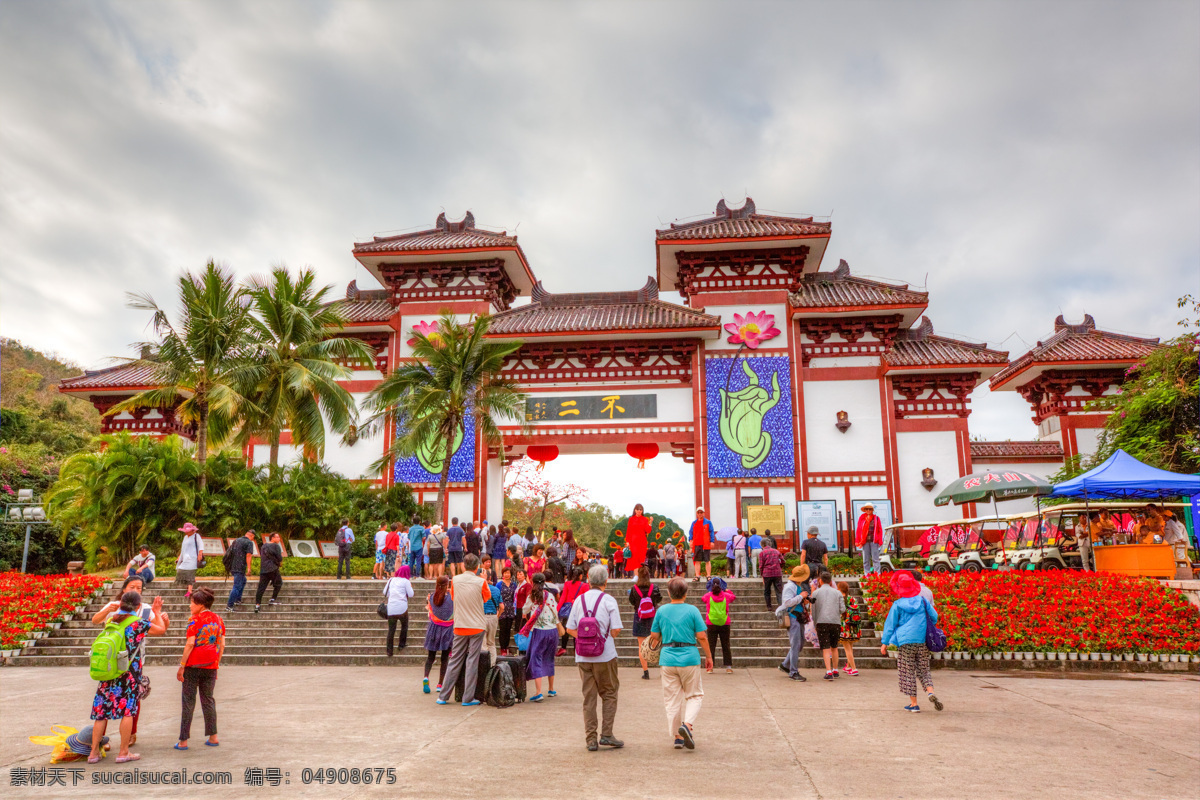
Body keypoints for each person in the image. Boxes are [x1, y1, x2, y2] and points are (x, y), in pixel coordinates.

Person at [88, 590, 167, 763]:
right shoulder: (138, 623)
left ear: (121, 603)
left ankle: (94, 753)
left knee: (101, 713)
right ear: (138, 606)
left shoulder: (111, 620)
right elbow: (161, 630)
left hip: (108, 671)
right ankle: (123, 752)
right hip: (128, 673)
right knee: (127, 712)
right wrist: (158, 612)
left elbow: (96, 620)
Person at [565, 565, 625, 751]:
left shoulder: (579, 600)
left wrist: (585, 640)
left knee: (588, 697)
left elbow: (569, 629)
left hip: (582, 656)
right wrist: (601, 639)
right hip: (605, 655)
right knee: (609, 693)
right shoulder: (609, 600)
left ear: (588, 581)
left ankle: (590, 739)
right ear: (606, 582)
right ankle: (606, 735)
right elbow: (615, 630)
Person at [648, 577, 713, 751]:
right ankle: (688, 725)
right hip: (689, 657)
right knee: (695, 695)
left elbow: (654, 635)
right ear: (686, 593)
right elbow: (702, 636)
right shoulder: (692, 610)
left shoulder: (661, 611)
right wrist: (709, 656)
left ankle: (677, 737)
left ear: (669, 593)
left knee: (672, 699)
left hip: (668, 658)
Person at [880, 571, 942, 713]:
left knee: (907, 672)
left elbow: (890, 625)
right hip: (921, 641)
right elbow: (934, 617)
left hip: (905, 642)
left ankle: (914, 704)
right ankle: (930, 692)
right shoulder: (923, 601)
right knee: (923, 669)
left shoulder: (898, 604)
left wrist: (885, 643)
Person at [436, 554, 490, 707]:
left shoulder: (455, 580)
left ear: (464, 566)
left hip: (460, 625)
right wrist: (484, 580)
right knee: (472, 660)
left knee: (455, 660)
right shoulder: (481, 582)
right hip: (477, 626)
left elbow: (453, 597)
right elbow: (487, 598)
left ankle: (443, 695)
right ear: (478, 566)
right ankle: (468, 698)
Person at [175, 586, 224, 750]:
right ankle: (213, 736)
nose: (190, 606)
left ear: (201, 605)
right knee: (208, 700)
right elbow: (221, 644)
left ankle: (183, 741)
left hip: (193, 665)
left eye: (192, 602)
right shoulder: (218, 619)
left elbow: (190, 643)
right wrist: (216, 662)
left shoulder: (194, 620)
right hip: (211, 665)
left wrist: (182, 666)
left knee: (188, 702)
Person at [521, 573, 562, 701]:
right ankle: (551, 689)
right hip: (553, 631)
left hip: (539, 631)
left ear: (533, 582)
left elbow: (524, 611)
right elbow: (555, 611)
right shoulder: (550, 595)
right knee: (549, 658)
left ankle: (538, 692)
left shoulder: (532, 596)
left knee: (536, 658)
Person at [776, 565, 811, 681]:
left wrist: (804, 601)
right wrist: (800, 596)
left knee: (800, 643)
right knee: (796, 644)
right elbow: (787, 603)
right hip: (792, 617)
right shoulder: (790, 587)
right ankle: (793, 671)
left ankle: (786, 665)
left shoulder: (797, 586)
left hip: (798, 617)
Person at [628, 566, 662, 680]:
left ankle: (646, 672)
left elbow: (631, 601)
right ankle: (662, 668)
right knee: (657, 643)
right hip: (653, 618)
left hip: (639, 617)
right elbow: (659, 598)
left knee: (641, 645)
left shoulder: (634, 588)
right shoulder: (654, 587)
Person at [810, 571, 846, 681]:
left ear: (820, 581)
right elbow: (843, 609)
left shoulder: (816, 593)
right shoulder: (837, 593)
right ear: (831, 582)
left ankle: (828, 672)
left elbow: (813, 610)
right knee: (834, 647)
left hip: (821, 621)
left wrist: (815, 622)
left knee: (825, 648)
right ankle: (835, 670)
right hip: (835, 622)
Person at [422, 576, 454, 694]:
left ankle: (426, 677)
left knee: (431, 657)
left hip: (433, 629)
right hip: (447, 630)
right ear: (447, 585)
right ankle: (440, 684)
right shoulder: (451, 598)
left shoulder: (431, 597)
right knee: (444, 658)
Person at [701, 577, 736, 673]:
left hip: (711, 623)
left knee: (711, 645)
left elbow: (703, 599)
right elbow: (733, 597)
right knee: (726, 645)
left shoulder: (708, 596)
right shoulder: (726, 595)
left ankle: (710, 668)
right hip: (725, 623)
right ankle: (728, 667)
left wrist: (709, 592)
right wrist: (727, 590)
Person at [383, 564, 415, 656]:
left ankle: (389, 651)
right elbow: (411, 594)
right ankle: (401, 644)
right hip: (402, 608)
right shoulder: (406, 581)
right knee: (404, 626)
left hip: (391, 608)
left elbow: (384, 592)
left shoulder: (391, 580)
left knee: (391, 629)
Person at [224, 530, 256, 612]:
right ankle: (229, 605)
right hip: (240, 567)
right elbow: (248, 555)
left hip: (233, 566)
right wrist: (249, 568)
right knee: (237, 586)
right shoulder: (249, 542)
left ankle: (238, 599)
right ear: (252, 536)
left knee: (243, 581)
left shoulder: (236, 540)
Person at [254, 533, 285, 613]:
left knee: (261, 588)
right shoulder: (276, 546)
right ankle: (272, 599)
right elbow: (279, 557)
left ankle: (257, 605)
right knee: (279, 583)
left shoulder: (264, 546)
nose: (279, 539)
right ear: (272, 538)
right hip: (273, 569)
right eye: (277, 537)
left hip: (263, 569)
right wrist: (280, 563)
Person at [836, 580, 861, 676]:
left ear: (839, 589)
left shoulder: (839, 599)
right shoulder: (853, 599)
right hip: (853, 626)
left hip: (844, 626)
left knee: (847, 648)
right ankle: (848, 666)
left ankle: (854, 668)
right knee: (850, 647)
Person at [174, 522, 204, 599]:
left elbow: (201, 545)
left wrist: (200, 555)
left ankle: (190, 590)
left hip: (193, 558)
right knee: (180, 570)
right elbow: (183, 549)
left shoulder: (196, 536)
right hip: (185, 558)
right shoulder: (185, 538)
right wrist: (179, 558)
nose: (186, 532)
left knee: (190, 572)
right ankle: (191, 581)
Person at [855, 503, 884, 575]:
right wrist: (858, 540)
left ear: (872, 510)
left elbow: (880, 530)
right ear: (864, 510)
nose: (868, 510)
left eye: (870, 509)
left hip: (874, 541)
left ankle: (877, 574)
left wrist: (880, 540)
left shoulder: (876, 518)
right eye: (866, 509)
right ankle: (867, 574)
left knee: (875, 559)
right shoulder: (862, 518)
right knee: (866, 559)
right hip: (865, 541)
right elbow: (859, 530)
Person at [482, 566, 502, 661]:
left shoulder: (480, 589)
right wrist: (497, 616)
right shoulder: (496, 590)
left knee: (483, 643)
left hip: (482, 617)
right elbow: (502, 607)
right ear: (490, 578)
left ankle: (484, 664)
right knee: (491, 643)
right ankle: (492, 664)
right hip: (493, 616)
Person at [497, 567, 519, 656]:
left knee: (509, 629)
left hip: (511, 608)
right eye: (505, 573)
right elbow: (496, 596)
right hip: (502, 607)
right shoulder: (499, 584)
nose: (506, 574)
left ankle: (507, 647)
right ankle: (502, 648)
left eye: (508, 573)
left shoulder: (514, 585)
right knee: (502, 629)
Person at [758, 538, 784, 610]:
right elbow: (783, 561)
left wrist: (762, 575)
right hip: (777, 573)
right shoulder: (776, 551)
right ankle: (781, 605)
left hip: (767, 574)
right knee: (779, 590)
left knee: (767, 591)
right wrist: (779, 567)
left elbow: (761, 566)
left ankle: (769, 607)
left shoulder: (762, 553)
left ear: (762, 545)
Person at [689, 507, 714, 582]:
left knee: (707, 560)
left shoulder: (708, 522)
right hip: (697, 544)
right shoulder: (694, 523)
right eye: (698, 512)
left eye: (701, 512)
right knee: (697, 561)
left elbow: (711, 531)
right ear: (697, 513)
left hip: (706, 544)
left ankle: (708, 575)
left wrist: (712, 541)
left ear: (704, 513)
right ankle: (697, 576)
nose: (700, 514)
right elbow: (690, 532)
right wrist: (690, 540)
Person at [625, 503, 650, 574]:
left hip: (642, 542)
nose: (639, 511)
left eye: (640, 510)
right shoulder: (631, 519)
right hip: (633, 542)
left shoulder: (644, 519)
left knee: (641, 559)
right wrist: (628, 541)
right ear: (635, 510)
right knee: (634, 559)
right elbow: (628, 531)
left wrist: (650, 523)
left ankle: (640, 576)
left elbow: (648, 530)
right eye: (637, 509)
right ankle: (636, 575)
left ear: (642, 511)